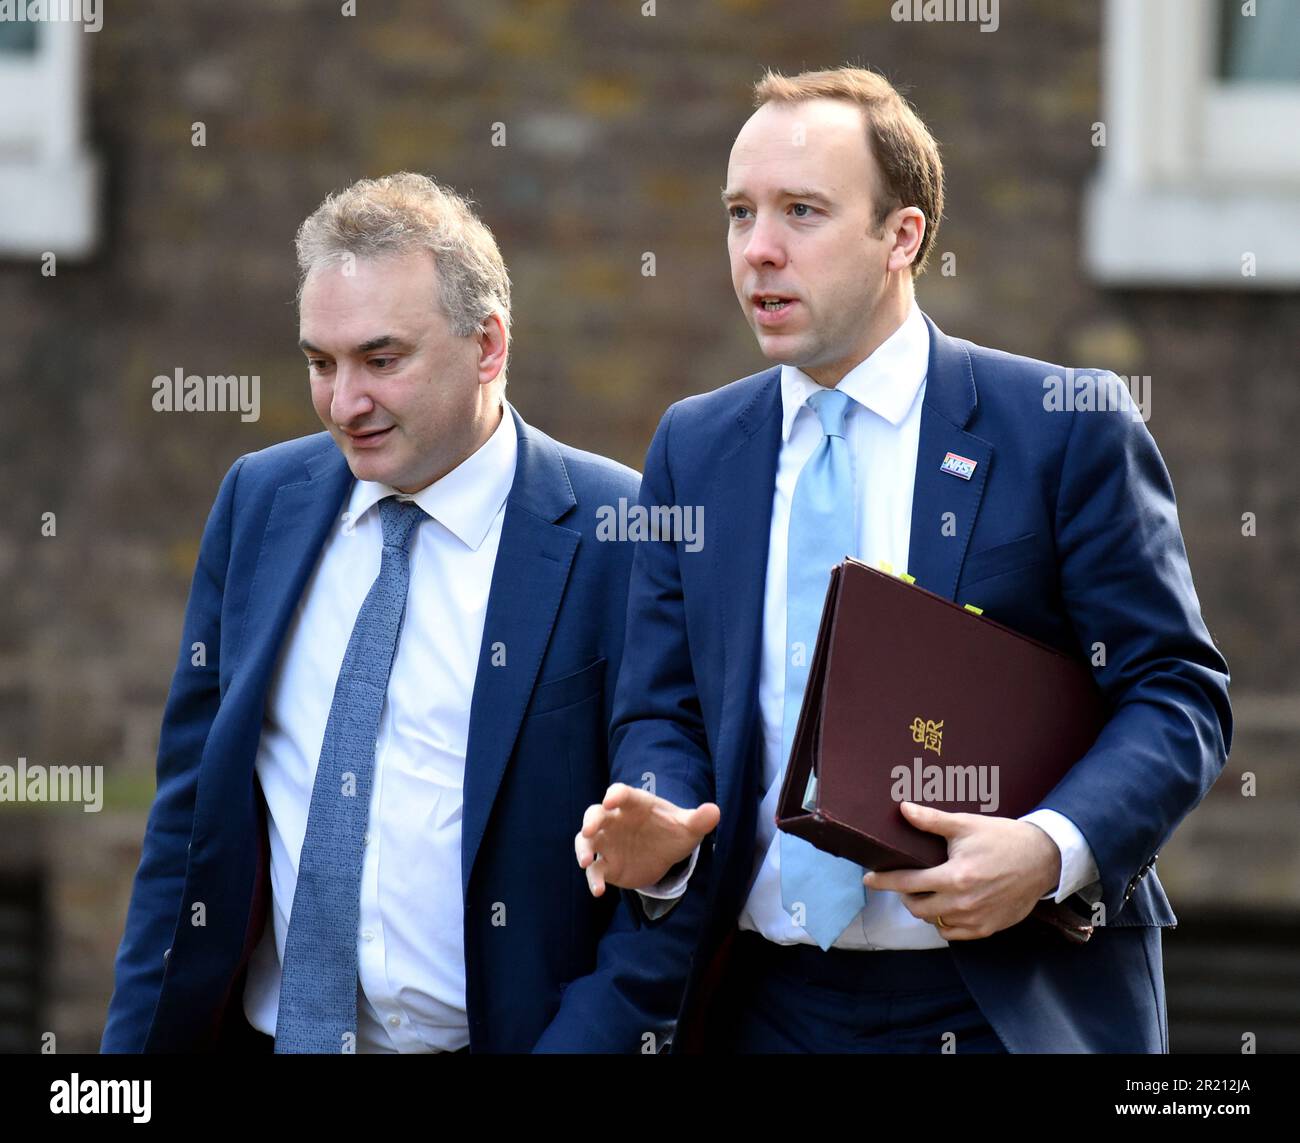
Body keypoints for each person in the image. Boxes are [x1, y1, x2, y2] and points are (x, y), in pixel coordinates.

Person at [575, 66, 1232, 1053]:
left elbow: (1176, 693)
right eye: (739, 212)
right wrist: (664, 822)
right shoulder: (694, 447)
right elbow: (663, 706)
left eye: (801, 211)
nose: (757, 249)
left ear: (902, 236)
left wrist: (1047, 851)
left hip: (1004, 1004)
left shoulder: (1061, 426)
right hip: (762, 1004)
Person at [102, 172, 679, 1053]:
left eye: (381, 359)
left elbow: (658, 892)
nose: (344, 402)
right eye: (320, 363)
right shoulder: (260, 502)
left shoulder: (621, 531)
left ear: (488, 345)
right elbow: (187, 820)